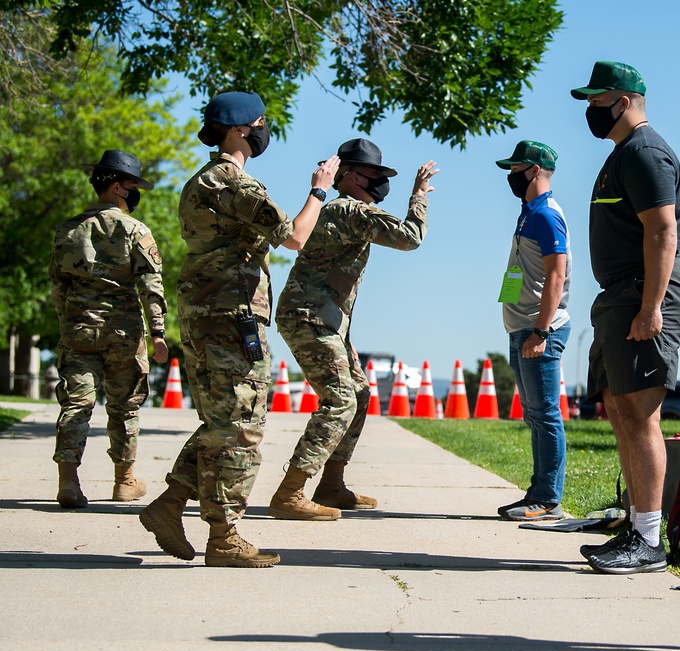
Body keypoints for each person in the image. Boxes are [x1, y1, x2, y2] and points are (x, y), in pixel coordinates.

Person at [139, 91, 339, 567]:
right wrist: (319, 190)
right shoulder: (231, 181)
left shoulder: (199, 181)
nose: (265, 130)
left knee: (222, 421)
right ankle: (224, 536)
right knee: (243, 426)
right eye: (260, 123)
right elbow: (293, 236)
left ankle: (170, 506)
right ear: (238, 130)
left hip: (209, 313)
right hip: (232, 316)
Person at [269, 138, 437, 520]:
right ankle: (290, 492)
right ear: (349, 176)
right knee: (340, 399)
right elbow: (410, 237)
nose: (380, 181)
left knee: (358, 394)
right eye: (374, 174)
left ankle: (331, 485)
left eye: (382, 174)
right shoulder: (348, 210)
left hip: (326, 320)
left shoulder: (346, 211)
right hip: (310, 316)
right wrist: (418, 195)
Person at [570, 61, 680, 573]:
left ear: (623, 101)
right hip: (622, 294)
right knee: (621, 411)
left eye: (597, 101)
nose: (590, 110)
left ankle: (648, 543)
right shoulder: (622, 154)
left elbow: (663, 232)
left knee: (641, 414)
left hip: (648, 294)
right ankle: (635, 526)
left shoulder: (644, 152)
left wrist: (650, 308)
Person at [49, 150, 169, 508]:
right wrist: (159, 333)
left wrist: (68, 322)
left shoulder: (68, 229)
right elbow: (151, 284)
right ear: (118, 187)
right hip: (123, 333)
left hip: (79, 329)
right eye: (132, 186)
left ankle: (68, 482)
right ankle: (125, 480)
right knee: (125, 407)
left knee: (76, 403)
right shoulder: (135, 230)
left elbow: (58, 286)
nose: (135, 193)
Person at [493, 140, 572, 521]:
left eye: (516, 169)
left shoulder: (546, 214)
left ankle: (547, 499)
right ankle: (537, 493)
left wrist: (540, 331)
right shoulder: (529, 213)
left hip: (540, 330)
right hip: (523, 327)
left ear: (536, 171)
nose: (510, 176)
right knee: (535, 415)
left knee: (545, 414)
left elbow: (557, 275)